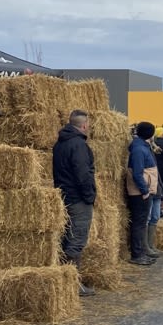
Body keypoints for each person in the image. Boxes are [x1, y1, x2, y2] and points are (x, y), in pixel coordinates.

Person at [52, 109, 96, 296]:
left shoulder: (60, 143)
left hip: (64, 195)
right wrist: (90, 196)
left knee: (66, 238)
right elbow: (82, 173)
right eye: (88, 125)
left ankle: (64, 281)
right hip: (77, 198)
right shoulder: (78, 145)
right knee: (76, 240)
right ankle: (74, 284)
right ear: (84, 125)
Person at [124, 122, 159, 266]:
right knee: (139, 224)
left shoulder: (142, 146)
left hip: (144, 191)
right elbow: (137, 173)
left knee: (142, 223)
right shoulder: (139, 149)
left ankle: (142, 252)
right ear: (150, 134)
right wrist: (144, 191)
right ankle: (137, 255)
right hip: (140, 193)